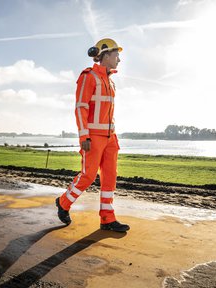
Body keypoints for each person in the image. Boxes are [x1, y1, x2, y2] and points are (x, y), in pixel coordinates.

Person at [55, 38, 130, 233]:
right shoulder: (88, 76)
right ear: (105, 55)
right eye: (116, 55)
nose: (119, 60)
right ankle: (63, 203)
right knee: (88, 176)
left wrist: (112, 135)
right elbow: (81, 107)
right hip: (93, 138)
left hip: (110, 137)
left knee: (110, 177)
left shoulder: (111, 82)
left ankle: (107, 219)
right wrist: (84, 136)